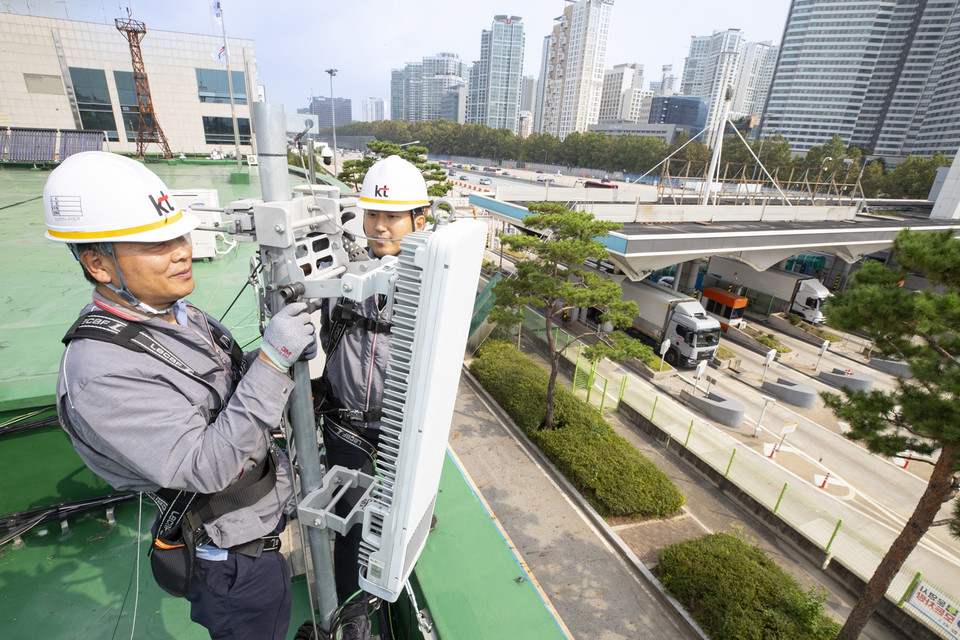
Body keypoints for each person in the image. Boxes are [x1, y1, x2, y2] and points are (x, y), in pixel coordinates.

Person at [44, 151, 316, 640]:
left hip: (256, 532)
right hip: (231, 561)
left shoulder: (175, 314)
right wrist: (273, 361)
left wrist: (270, 362)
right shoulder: (100, 372)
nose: (182, 250)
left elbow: (226, 387)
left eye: (180, 234)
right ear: (98, 264)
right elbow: (207, 467)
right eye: (156, 243)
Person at [313, 155, 428, 640]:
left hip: (401, 425)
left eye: (392, 217)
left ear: (418, 222)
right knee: (352, 521)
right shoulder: (343, 281)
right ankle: (353, 615)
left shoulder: (429, 288)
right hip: (347, 425)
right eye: (373, 215)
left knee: (406, 509)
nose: (380, 227)